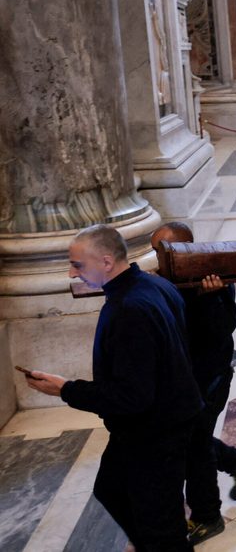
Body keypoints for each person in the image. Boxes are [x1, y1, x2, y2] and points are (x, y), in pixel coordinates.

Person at [25, 225, 202, 550]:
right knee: (112, 488)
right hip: (162, 421)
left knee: (162, 533)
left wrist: (65, 389)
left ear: (106, 262)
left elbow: (131, 397)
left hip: (153, 432)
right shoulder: (154, 284)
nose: (71, 272)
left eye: (77, 264)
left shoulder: (128, 310)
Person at [150, 223, 236, 545]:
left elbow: (223, 328)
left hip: (208, 377)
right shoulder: (166, 278)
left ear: (185, 249)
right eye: (155, 250)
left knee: (194, 447)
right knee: (190, 440)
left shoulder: (212, 277)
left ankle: (207, 516)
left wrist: (209, 297)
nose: (157, 258)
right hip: (182, 378)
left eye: (163, 251)